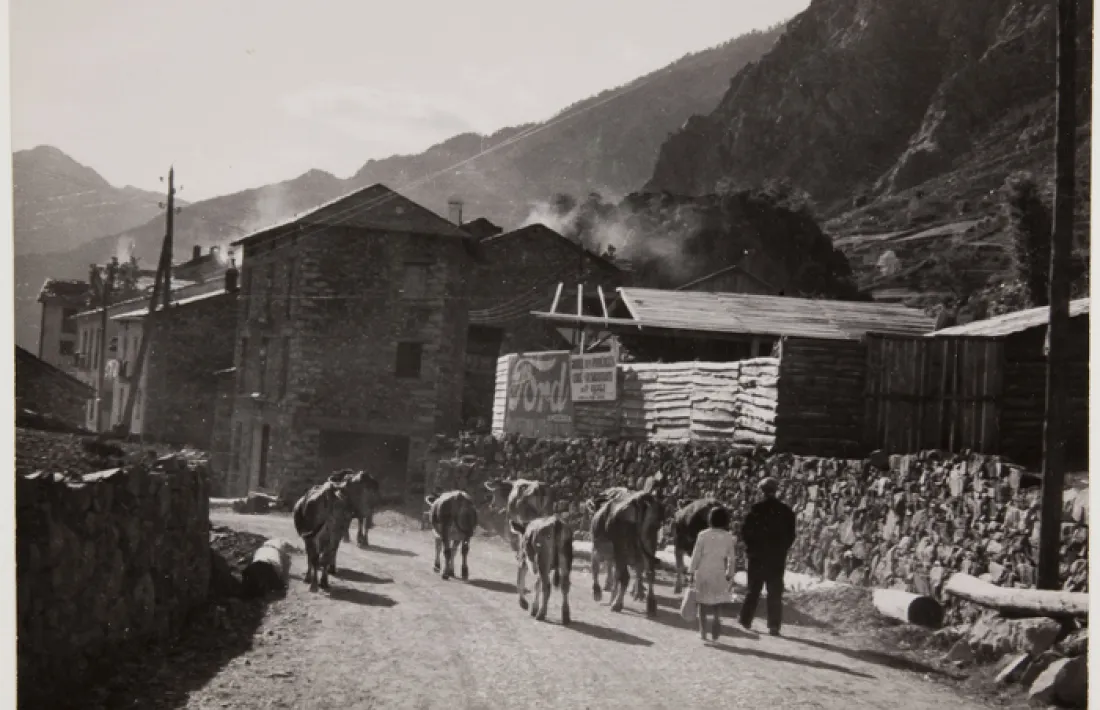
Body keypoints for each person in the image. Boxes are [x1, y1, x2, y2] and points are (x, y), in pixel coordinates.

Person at [739, 477, 797, 636]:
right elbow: (791, 535)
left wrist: (751, 548)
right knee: (775, 592)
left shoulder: (756, 509)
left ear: (761, 491)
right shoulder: (786, 511)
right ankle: (774, 626)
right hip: (776, 557)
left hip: (757, 556)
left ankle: (745, 620)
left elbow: (745, 531)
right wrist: (781, 549)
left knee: (753, 589)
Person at [688, 505, 737, 642]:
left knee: (702, 603)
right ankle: (716, 621)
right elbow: (731, 558)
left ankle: (703, 632)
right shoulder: (728, 537)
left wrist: (691, 572)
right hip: (719, 572)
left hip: (703, 571)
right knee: (717, 602)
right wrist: (730, 573)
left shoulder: (703, 534)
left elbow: (696, 555)